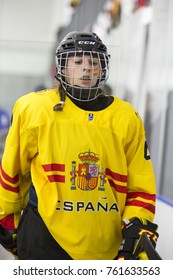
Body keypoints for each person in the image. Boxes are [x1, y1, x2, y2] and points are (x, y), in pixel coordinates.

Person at [0, 31, 159, 260]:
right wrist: (7, 222)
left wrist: (138, 227)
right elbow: (13, 173)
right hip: (44, 239)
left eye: (93, 62)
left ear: (102, 68)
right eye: (77, 61)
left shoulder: (126, 117)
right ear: (62, 68)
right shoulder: (34, 109)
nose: (86, 68)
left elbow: (140, 186)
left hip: (105, 247)